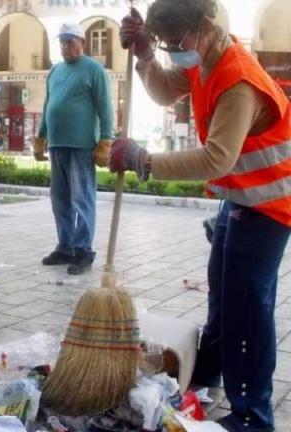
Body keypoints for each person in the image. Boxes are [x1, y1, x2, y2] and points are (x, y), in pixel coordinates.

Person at [116, 1, 291, 430]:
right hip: (241, 202)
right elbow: (162, 91)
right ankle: (207, 375)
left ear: (206, 27)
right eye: (167, 43)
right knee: (222, 298)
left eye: (178, 42)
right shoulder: (204, 61)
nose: (175, 50)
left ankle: (253, 414)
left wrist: (145, 160)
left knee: (248, 310)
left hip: (269, 206)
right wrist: (144, 55)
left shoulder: (238, 79)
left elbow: (217, 159)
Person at [35, 22, 113, 275]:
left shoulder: (94, 69)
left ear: (82, 42)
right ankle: (65, 246)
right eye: (62, 42)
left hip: (81, 146)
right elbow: (48, 106)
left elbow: (105, 109)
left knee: (82, 199)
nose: (65, 46)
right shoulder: (55, 71)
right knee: (60, 200)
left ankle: (83, 250)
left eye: (70, 41)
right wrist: (40, 137)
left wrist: (105, 141)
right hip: (57, 145)